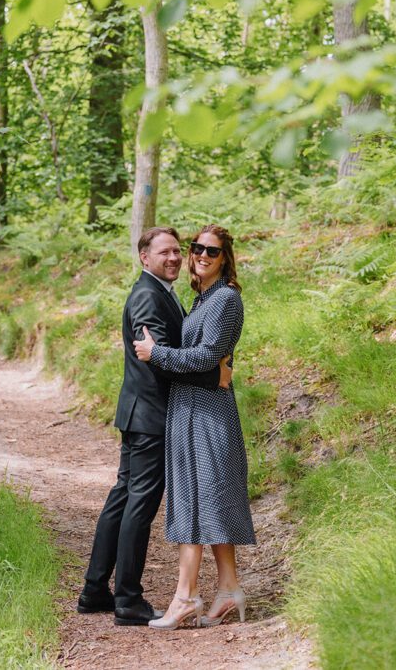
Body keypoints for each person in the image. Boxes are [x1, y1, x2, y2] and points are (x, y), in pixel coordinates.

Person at [78, 227, 231, 627]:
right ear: (144, 257)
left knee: (122, 499)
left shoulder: (160, 290)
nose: (175, 258)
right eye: (165, 252)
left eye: (178, 251)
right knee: (138, 506)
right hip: (150, 415)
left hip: (139, 412)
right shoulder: (148, 295)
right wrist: (213, 378)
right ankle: (127, 598)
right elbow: (157, 357)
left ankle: (95, 590)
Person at [133, 224, 256, 630]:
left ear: (226, 258)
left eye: (213, 251)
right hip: (190, 409)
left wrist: (156, 353)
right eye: (197, 248)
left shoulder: (224, 300)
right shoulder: (203, 298)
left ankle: (186, 597)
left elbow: (205, 357)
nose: (202, 255)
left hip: (208, 414)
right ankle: (228, 590)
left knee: (198, 499)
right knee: (209, 498)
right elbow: (210, 361)